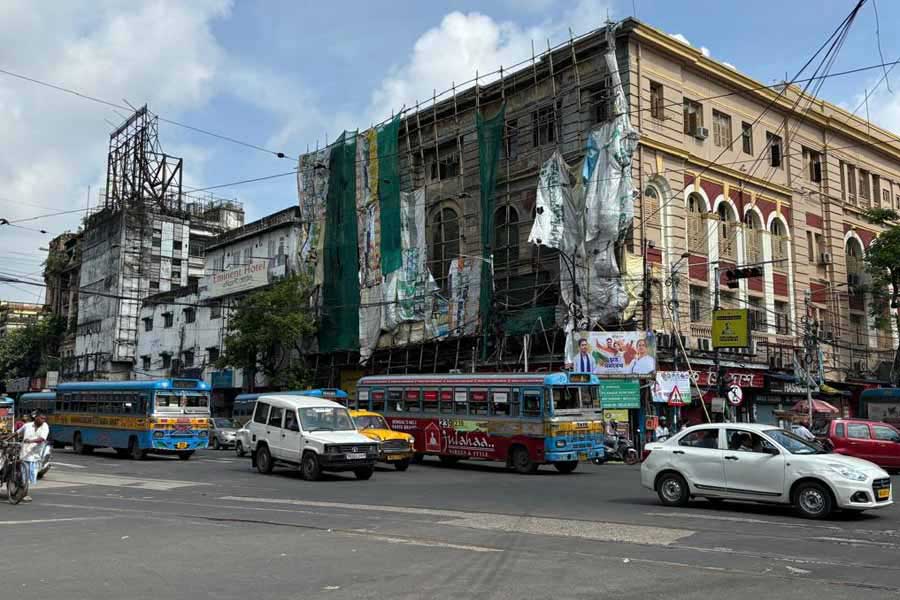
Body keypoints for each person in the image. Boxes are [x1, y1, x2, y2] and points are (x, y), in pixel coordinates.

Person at [16, 410, 49, 502]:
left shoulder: (45, 426)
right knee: (24, 476)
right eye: (41, 418)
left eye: (44, 419)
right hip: (24, 453)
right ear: (36, 417)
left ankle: (23, 492)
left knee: (31, 475)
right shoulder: (27, 425)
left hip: (35, 455)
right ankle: (24, 494)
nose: (43, 420)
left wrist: (30, 441)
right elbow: (17, 433)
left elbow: (42, 438)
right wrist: (7, 437)